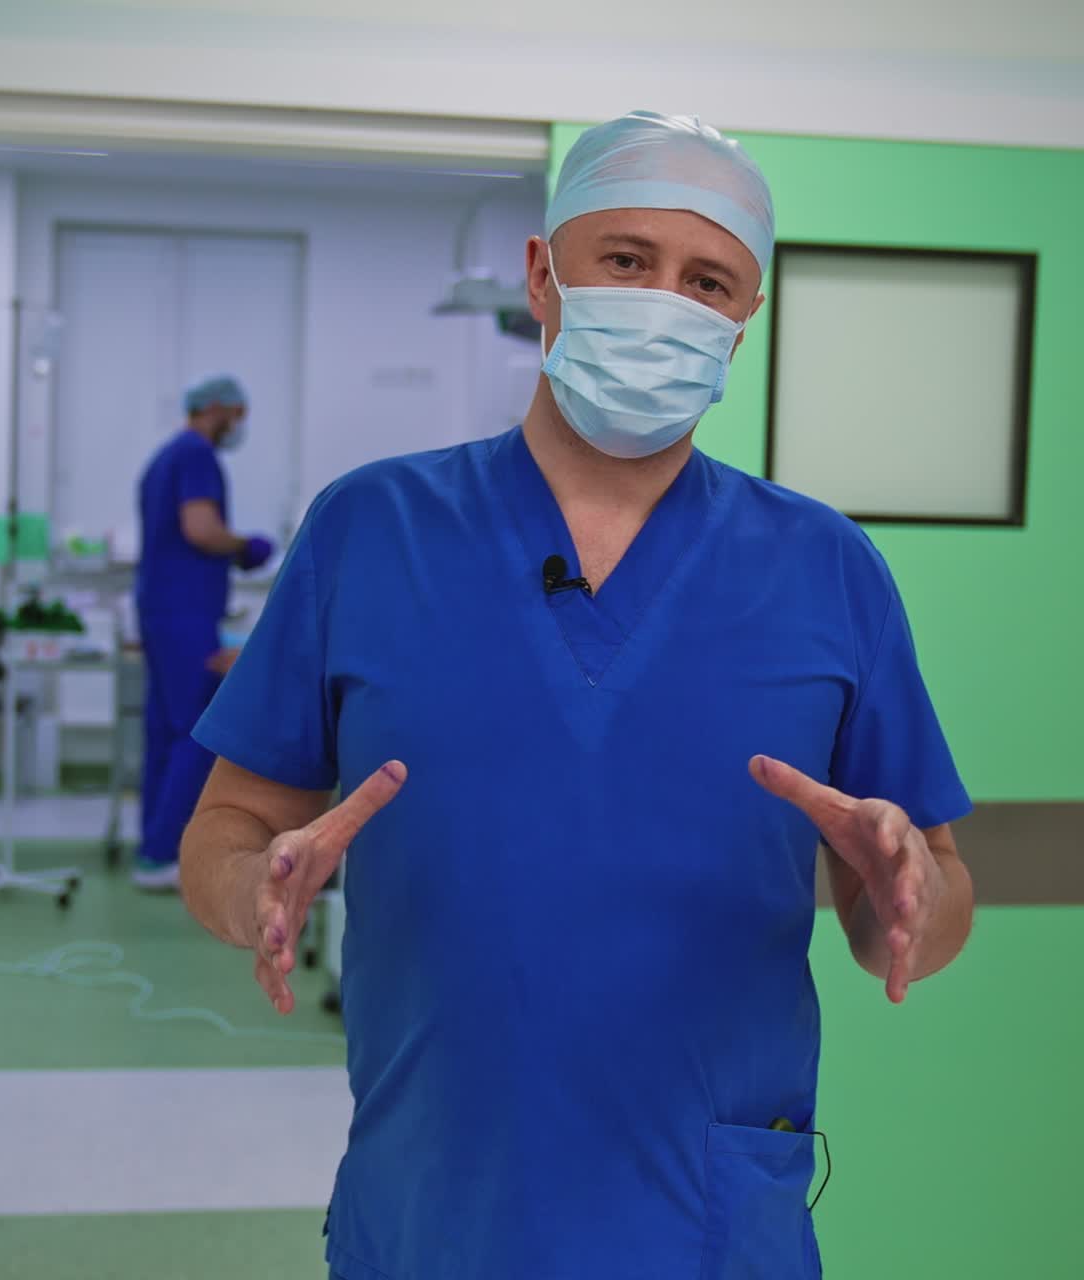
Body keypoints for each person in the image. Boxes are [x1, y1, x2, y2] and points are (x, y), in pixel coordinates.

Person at [179, 113, 975, 1278]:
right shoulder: (370, 532)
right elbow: (227, 826)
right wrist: (252, 884)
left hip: (705, 1228)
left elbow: (928, 897)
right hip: (434, 1209)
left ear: (743, 318)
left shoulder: (824, 569)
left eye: (706, 281)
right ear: (542, 274)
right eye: (625, 260)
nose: (663, 304)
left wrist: (905, 895)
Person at [131, 375, 273, 891]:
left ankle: (151, 848)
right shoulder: (196, 456)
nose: (238, 426)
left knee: (165, 732)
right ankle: (162, 853)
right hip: (184, 612)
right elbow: (200, 529)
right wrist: (245, 546)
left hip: (161, 608)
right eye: (237, 415)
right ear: (215, 408)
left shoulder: (164, 458)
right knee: (196, 732)